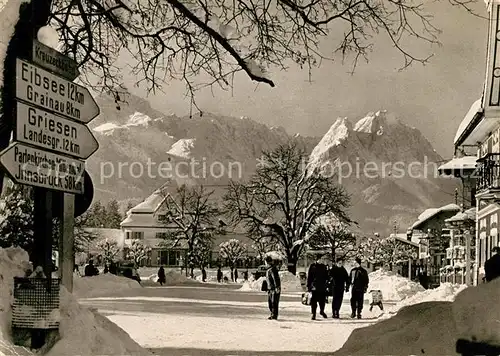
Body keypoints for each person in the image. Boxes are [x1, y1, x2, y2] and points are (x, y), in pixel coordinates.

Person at [265, 255, 281, 320]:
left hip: (274, 289)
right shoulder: (269, 269)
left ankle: (274, 315)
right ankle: (272, 314)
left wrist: (277, 287)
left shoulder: (273, 269)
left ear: (267, 262)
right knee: (270, 302)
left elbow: (275, 279)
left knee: (274, 302)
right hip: (270, 289)